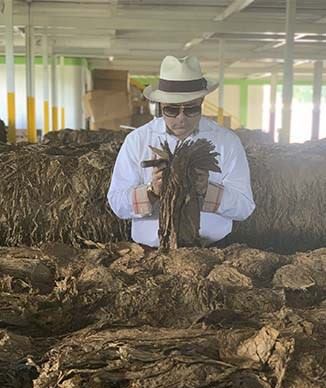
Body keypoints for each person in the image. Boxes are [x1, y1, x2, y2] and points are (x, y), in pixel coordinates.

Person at [108, 55, 255, 248]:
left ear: (201, 101)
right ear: (160, 106)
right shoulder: (137, 141)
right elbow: (117, 203)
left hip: (212, 253)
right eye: (172, 110)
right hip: (150, 253)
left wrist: (206, 190)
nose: (181, 118)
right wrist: (152, 191)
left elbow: (244, 207)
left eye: (191, 109)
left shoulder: (227, 143)